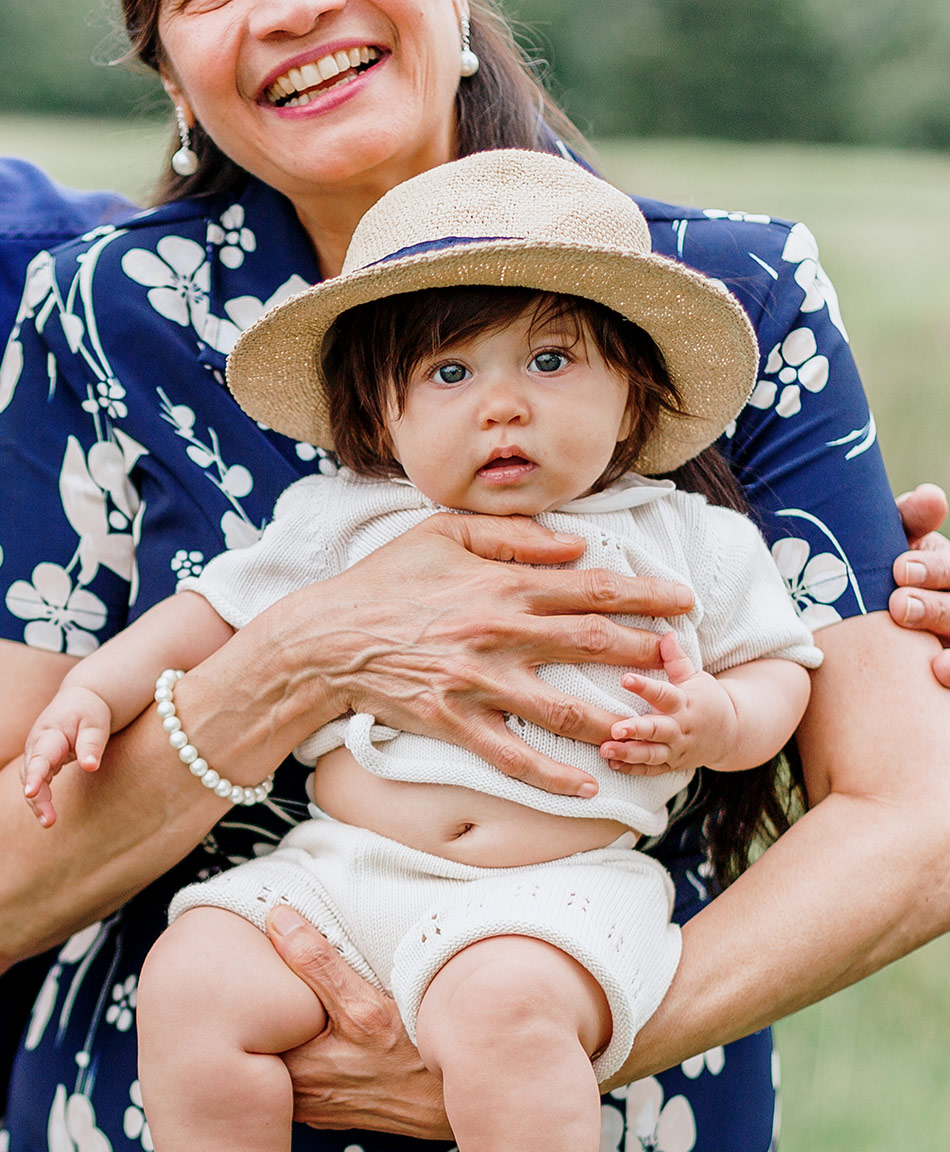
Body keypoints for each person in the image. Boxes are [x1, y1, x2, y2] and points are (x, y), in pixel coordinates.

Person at [1, 2, 949, 1150]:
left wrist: (537, 1044)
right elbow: (60, 777)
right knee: (197, 981)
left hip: (576, 988)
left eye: (552, 362)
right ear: (165, 70)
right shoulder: (100, 313)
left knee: (505, 1003)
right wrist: (292, 658)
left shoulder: (726, 294)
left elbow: (900, 796)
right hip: (235, 990)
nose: (291, 8)